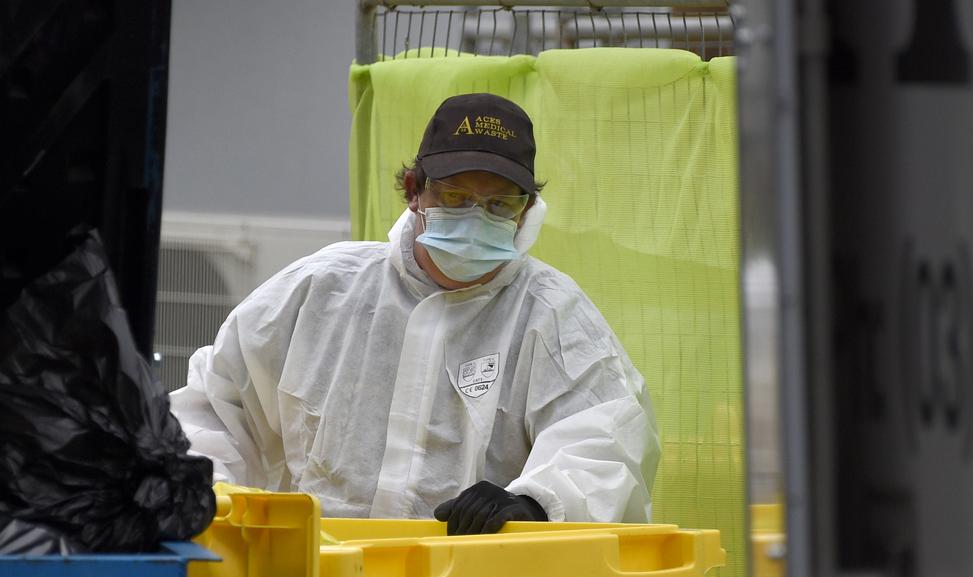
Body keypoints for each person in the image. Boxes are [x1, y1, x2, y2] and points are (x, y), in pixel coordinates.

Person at [170, 93, 660, 533]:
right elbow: (214, 408)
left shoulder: (551, 314)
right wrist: (209, 499)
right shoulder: (321, 290)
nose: (476, 217)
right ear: (414, 190)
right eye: (455, 197)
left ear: (527, 211)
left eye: (500, 205)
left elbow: (606, 440)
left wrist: (535, 502)